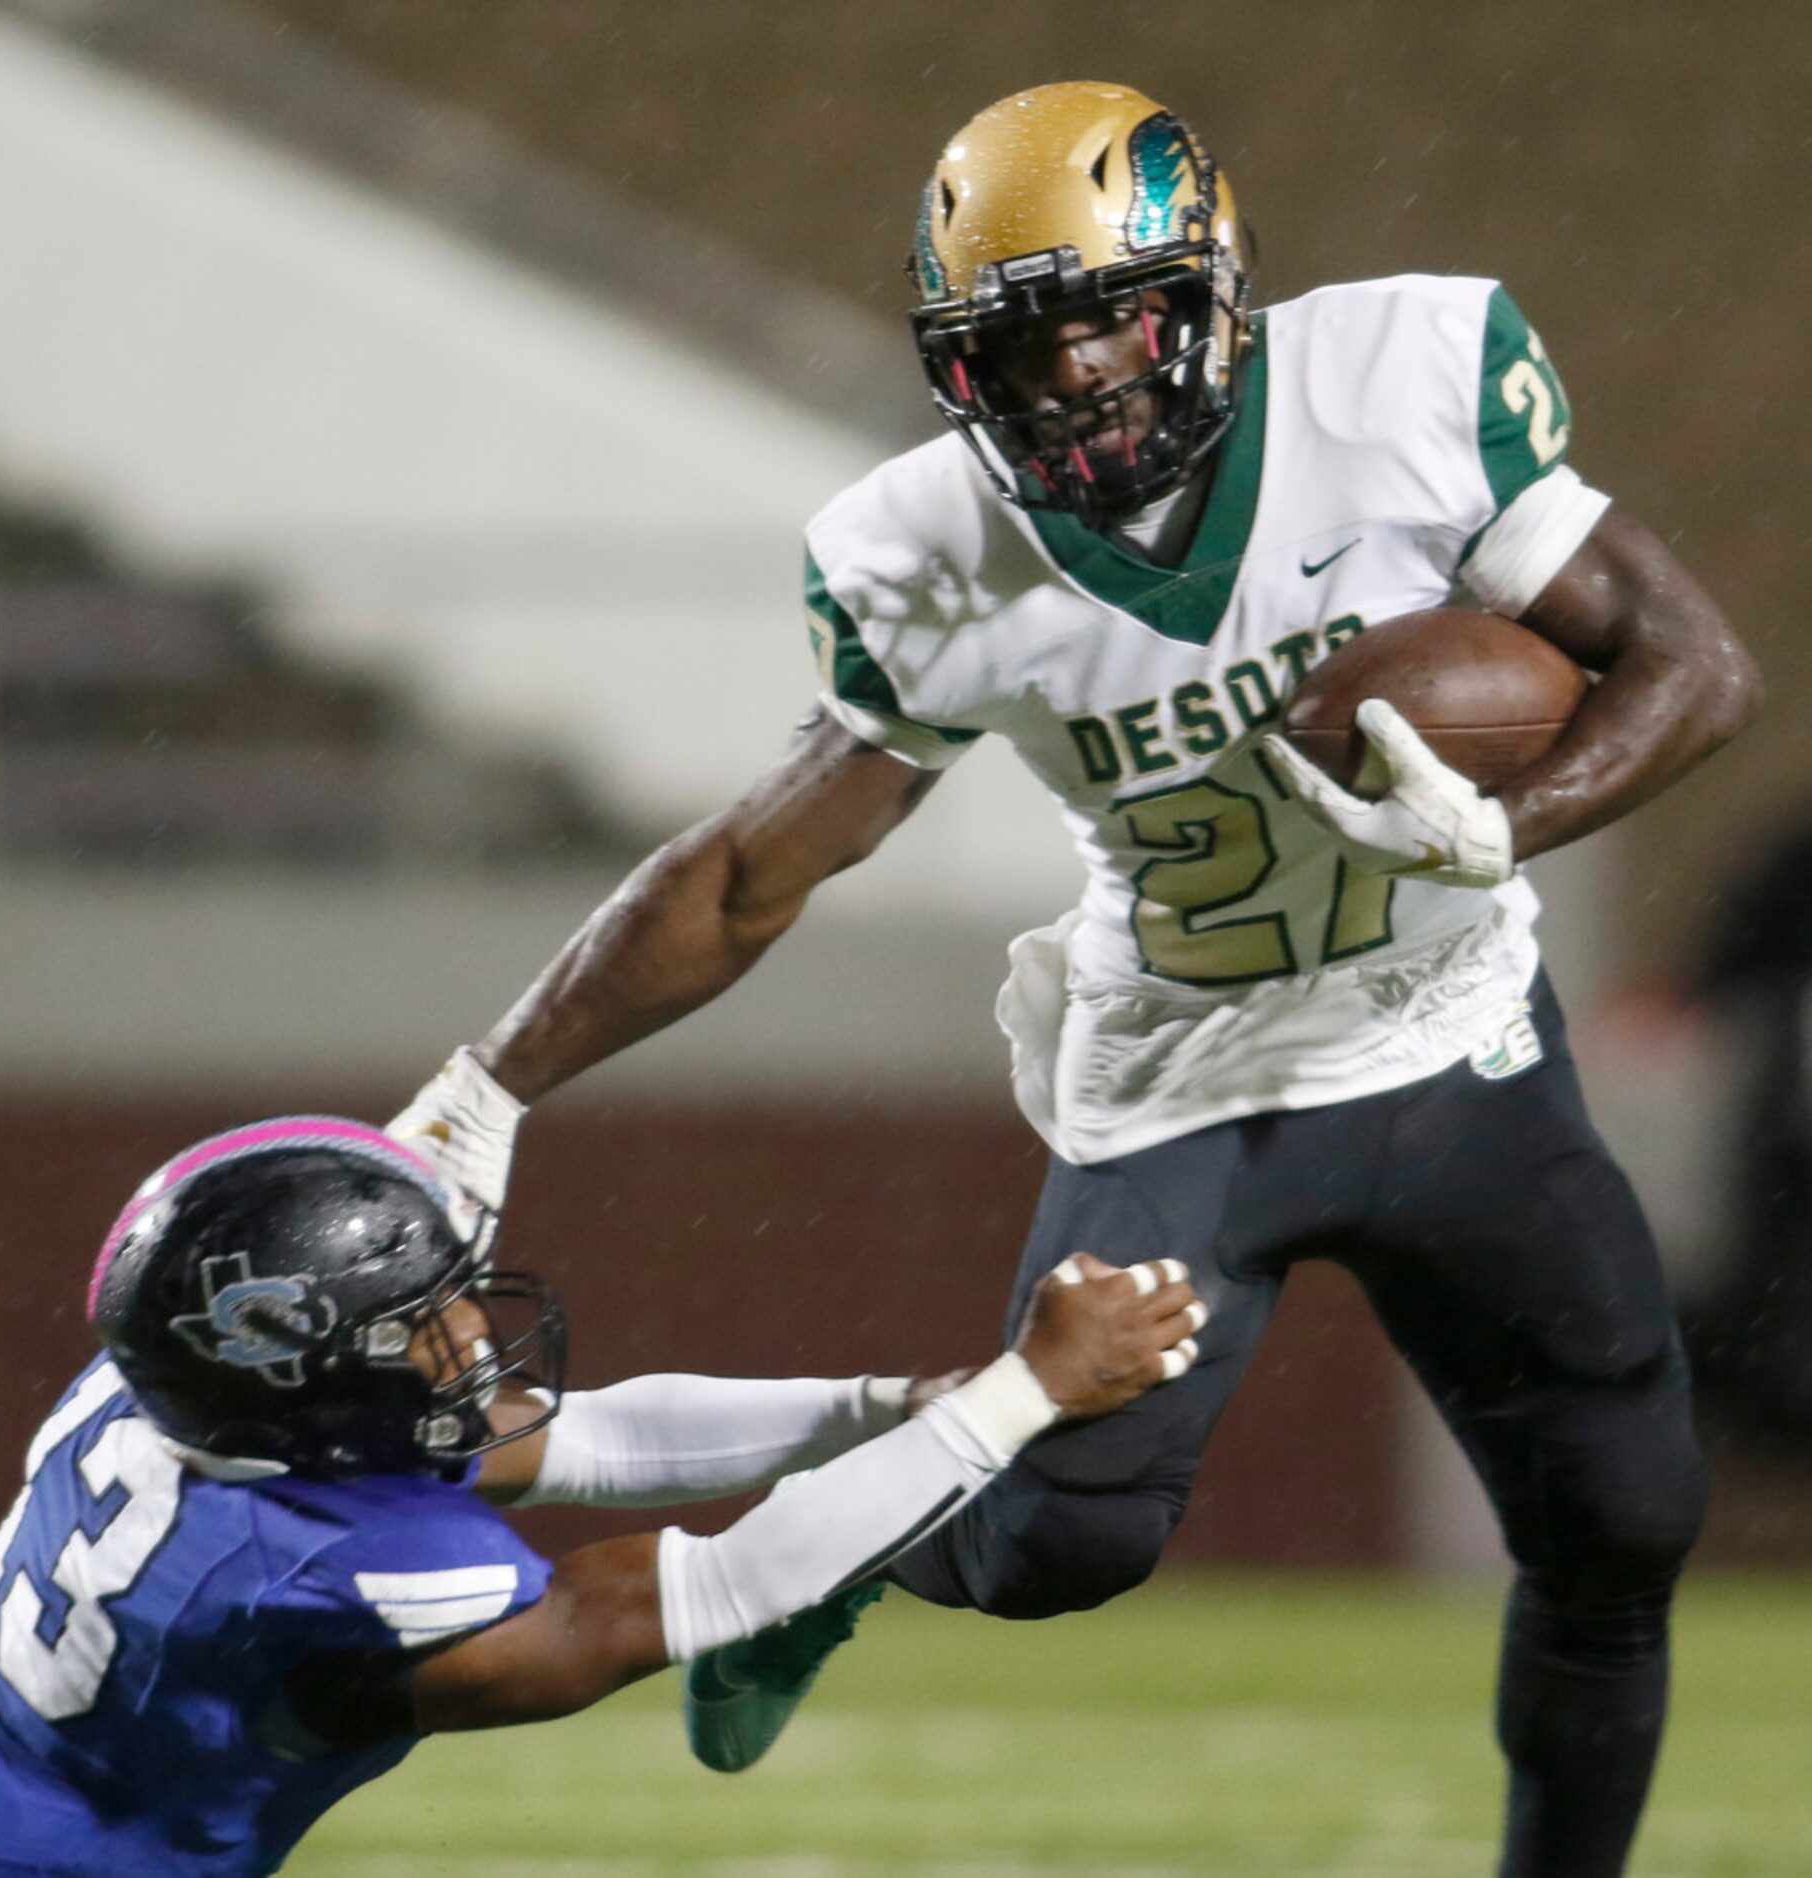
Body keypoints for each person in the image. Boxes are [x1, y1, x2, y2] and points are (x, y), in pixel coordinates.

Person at [393, 82, 1762, 1878]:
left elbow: (1694, 664)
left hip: (1450, 1041)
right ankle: (821, 1564)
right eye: (1017, 344)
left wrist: (1514, 826)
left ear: (1204, 289)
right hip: (1184, 1078)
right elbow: (747, 871)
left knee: (1622, 1518)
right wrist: (493, 1076)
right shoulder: (929, 549)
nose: (1070, 378)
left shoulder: (1402, 381)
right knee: (1063, 1547)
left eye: (1104, 315)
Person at [0, 1114, 1202, 1874]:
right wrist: (1026, 1396)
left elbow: (591, 1438)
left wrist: (894, 1402)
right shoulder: (304, 1579)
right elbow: (711, 1585)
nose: (460, 1332)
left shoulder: (184, 1393)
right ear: (306, 1373)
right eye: (417, 1321)